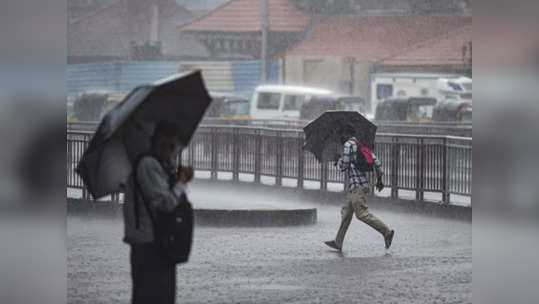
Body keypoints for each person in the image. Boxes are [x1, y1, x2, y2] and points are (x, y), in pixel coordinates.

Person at [122, 121, 194, 304]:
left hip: (159, 244)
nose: (171, 149)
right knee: (153, 297)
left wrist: (176, 177)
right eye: (167, 144)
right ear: (155, 141)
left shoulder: (159, 165)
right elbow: (166, 204)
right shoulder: (148, 165)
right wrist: (181, 182)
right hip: (150, 245)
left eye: (173, 145)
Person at [324, 127, 394, 252]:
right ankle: (338, 242)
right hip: (358, 187)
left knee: (362, 214)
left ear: (346, 133)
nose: (340, 138)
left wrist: (337, 160)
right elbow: (376, 162)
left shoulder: (347, 145)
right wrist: (379, 179)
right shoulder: (360, 144)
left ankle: (387, 232)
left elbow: (344, 166)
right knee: (346, 214)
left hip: (357, 187)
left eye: (341, 134)